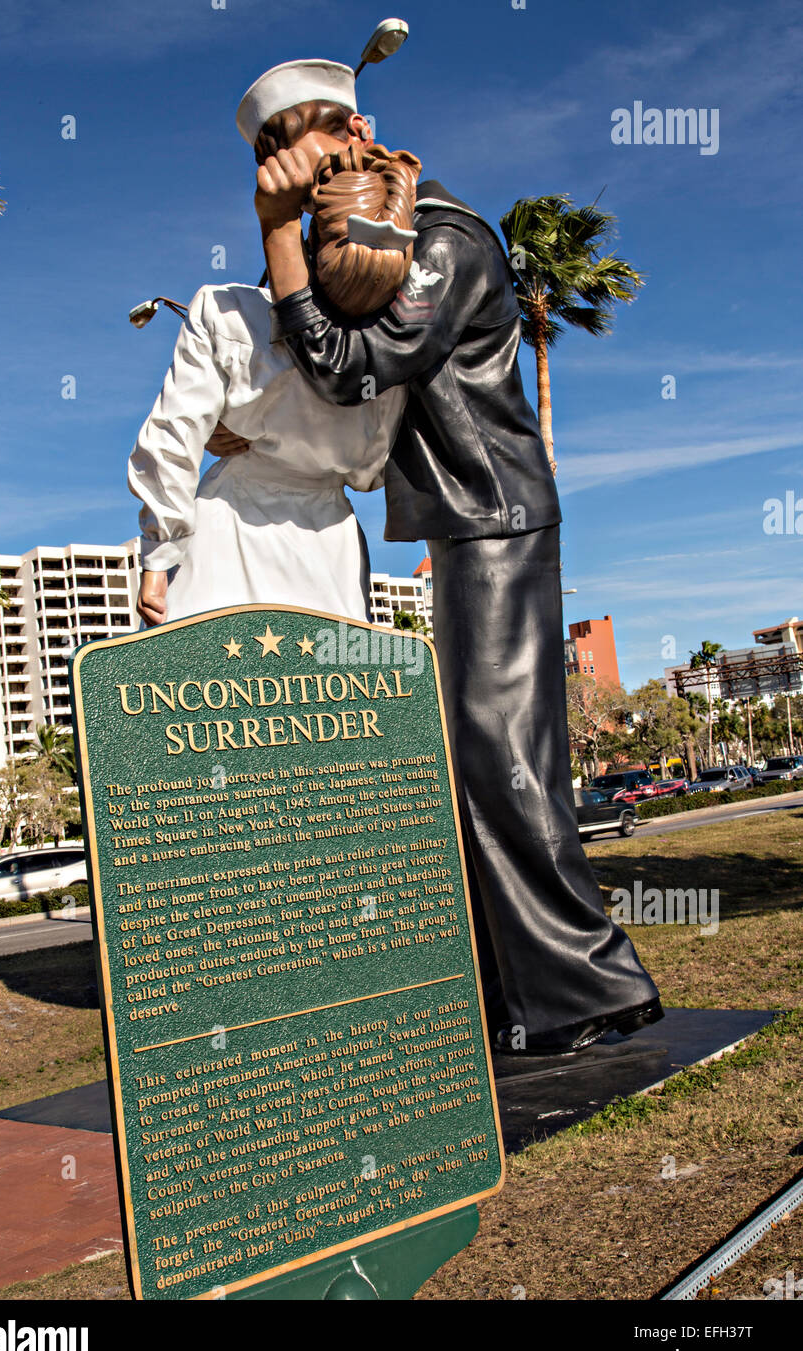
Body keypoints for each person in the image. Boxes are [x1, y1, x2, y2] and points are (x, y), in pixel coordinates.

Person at [237, 56, 663, 1055]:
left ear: (356, 127)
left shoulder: (444, 234)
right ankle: (525, 995)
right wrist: (290, 238)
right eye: (274, 147)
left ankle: (592, 987)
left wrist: (272, 228)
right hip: (462, 518)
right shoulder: (368, 238)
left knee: (504, 756)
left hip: (497, 511)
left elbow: (347, 370)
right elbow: (304, 329)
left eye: (312, 133)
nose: (298, 157)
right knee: (478, 759)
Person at [127, 133, 419, 629]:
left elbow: (173, 441)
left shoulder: (226, 311)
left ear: (309, 241)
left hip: (227, 529)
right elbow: (369, 475)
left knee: (209, 689)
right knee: (337, 698)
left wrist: (160, 554)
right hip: (329, 552)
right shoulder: (394, 349)